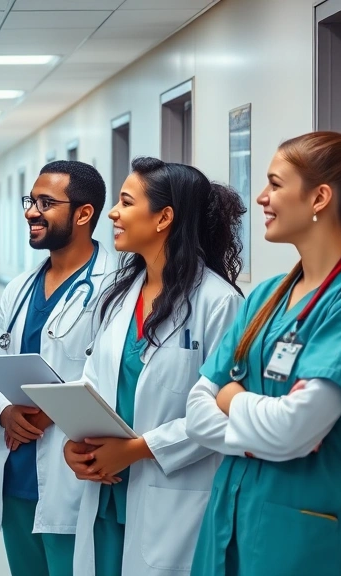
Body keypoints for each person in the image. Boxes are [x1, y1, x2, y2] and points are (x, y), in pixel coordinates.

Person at [186, 119, 341, 576]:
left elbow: (295, 428)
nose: (261, 199)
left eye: (274, 184)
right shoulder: (266, 297)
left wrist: (232, 399)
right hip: (231, 526)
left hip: (306, 542)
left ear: (319, 198)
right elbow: (196, 412)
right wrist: (263, 432)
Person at [63, 157, 247, 576]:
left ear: (164, 217)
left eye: (126, 202)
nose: (113, 212)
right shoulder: (119, 294)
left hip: (174, 497)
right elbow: (96, 383)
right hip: (108, 496)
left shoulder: (218, 303)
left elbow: (219, 413)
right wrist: (75, 445)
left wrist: (135, 450)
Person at [0, 160, 115, 576]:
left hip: (72, 471)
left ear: (84, 213)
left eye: (45, 202)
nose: (30, 212)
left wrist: (47, 409)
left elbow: (112, 375)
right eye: (30, 200)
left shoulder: (118, 284)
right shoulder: (20, 287)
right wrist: (3, 410)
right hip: (18, 467)